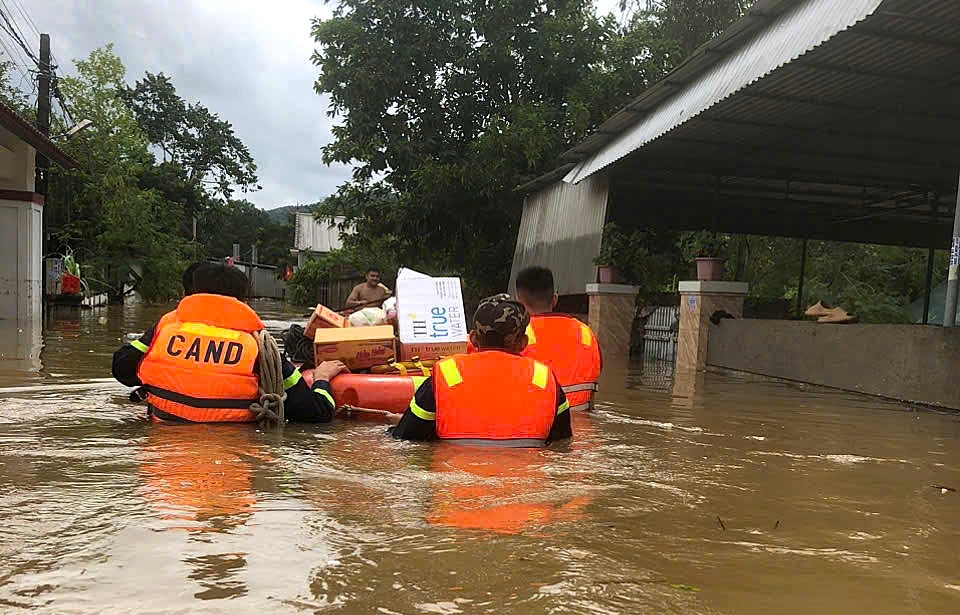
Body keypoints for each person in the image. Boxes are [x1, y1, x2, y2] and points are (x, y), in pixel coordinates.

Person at [112, 262, 347, 423]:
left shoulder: (165, 329)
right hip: (232, 459)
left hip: (161, 464)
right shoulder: (258, 346)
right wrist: (322, 378)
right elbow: (316, 413)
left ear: (191, 295)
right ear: (242, 301)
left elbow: (122, 369)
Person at [389, 294, 571, 446]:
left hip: (457, 477)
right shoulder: (544, 377)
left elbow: (407, 437)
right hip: (528, 477)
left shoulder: (447, 372)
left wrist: (397, 424)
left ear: (473, 338)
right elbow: (562, 444)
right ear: (523, 342)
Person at [514, 266, 602, 412]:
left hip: (539, 422)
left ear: (518, 301)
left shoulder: (516, 335)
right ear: (554, 299)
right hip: (582, 423)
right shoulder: (586, 333)